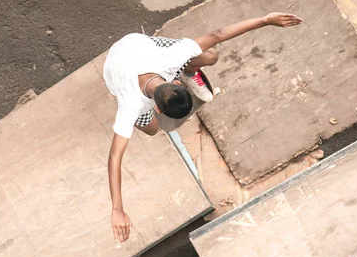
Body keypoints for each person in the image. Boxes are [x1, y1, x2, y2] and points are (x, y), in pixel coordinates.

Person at [103, 12, 304, 243]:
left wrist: (266, 20)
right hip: (116, 70)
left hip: (137, 44)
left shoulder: (169, 57)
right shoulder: (130, 105)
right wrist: (117, 209)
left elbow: (217, 35)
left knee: (211, 55)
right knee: (152, 129)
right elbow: (114, 159)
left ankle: (190, 71)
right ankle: (137, 89)